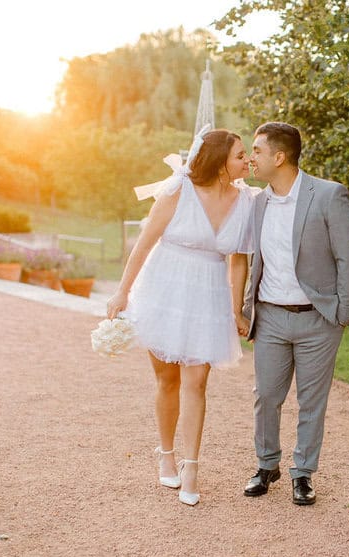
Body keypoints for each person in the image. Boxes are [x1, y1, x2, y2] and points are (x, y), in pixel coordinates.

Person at [107, 127, 256, 507]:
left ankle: (191, 468)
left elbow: (239, 260)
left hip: (208, 296)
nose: (247, 160)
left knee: (197, 382)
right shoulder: (179, 190)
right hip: (164, 289)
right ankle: (166, 454)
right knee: (167, 379)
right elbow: (143, 244)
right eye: (240, 155)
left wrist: (236, 308)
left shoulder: (246, 202)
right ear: (222, 161)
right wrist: (122, 291)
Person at [242, 122, 349, 506]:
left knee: (312, 402)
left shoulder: (328, 195)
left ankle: (303, 473)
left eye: (257, 150)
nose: (251, 157)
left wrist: (344, 310)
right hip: (271, 317)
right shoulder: (256, 202)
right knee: (266, 397)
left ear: (279, 157)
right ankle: (267, 465)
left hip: (319, 319)